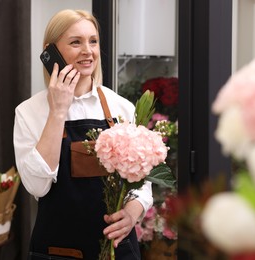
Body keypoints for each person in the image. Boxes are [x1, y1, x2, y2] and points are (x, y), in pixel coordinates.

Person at [13, 9, 153, 260]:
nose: (88, 51)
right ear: (50, 50)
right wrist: (57, 111)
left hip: (118, 249)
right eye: (75, 42)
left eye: (93, 41)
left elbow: (143, 181)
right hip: (58, 250)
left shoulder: (121, 107)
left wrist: (132, 213)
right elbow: (37, 186)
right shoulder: (28, 112)